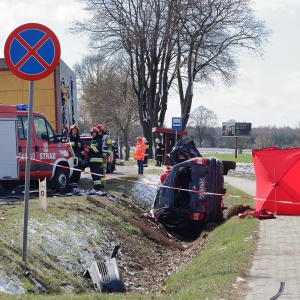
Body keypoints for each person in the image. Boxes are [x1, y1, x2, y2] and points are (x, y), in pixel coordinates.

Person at [68, 124, 84, 191]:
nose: (74, 132)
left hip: (78, 159)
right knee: (71, 172)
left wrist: (83, 158)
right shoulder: (68, 139)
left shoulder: (79, 139)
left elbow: (82, 149)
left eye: (75, 130)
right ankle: (70, 185)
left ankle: (75, 185)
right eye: (73, 130)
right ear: (71, 131)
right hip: (71, 159)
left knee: (77, 172)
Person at [97, 124, 113, 189]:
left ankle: (103, 184)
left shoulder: (106, 137)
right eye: (98, 131)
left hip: (104, 157)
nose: (99, 132)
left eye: (100, 131)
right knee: (97, 170)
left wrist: (107, 155)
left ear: (102, 131)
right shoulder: (96, 138)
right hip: (98, 157)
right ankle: (98, 184)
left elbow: (110, 147)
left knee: (102, 170)